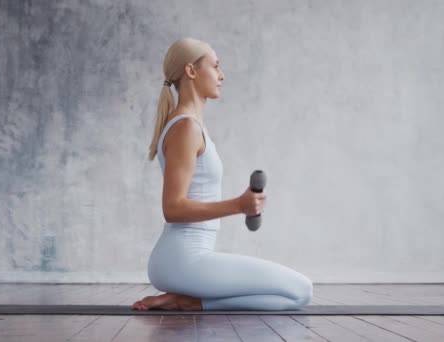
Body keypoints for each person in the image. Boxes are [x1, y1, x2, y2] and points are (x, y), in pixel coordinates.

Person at [132, 38, 313, 311]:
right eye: (215, 66)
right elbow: (173, 208)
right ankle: (189, 302)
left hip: (186, 259)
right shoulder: (186, 128)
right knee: (301, 292)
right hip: (182, 260)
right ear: (191, 71)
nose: (222, 75)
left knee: (300, 293)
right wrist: (239, 205)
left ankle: (191, 301)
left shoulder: (192, 125)